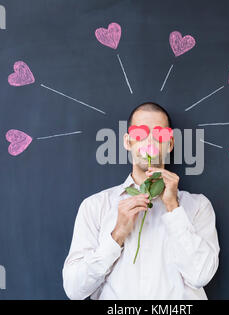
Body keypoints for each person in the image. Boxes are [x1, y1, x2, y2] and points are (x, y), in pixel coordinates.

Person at [62, 102, 220, 300]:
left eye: (159, 135)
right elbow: (74, 289)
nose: (150, 142)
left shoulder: (198, 207)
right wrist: (117, 234)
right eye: (140, 134)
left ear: (169, 144)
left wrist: (173, 208)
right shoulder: (95, 206)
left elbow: (201, 275)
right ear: (128, 142)